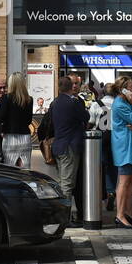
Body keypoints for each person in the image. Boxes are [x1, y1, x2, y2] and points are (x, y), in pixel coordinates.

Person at [49, 75, 88, 224]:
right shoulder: (74, 103)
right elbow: (86, 116)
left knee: (61, 182)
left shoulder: (55, 102)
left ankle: (62, 215)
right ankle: (64, 217)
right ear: (70, 86)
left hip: (58, 146)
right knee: (67, 185)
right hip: (70, 147)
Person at [110, 77, 132, 228]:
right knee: (124, 180)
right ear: (123, 89)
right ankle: (120, 215)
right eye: (131, 86)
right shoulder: (120, 104)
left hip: (128, 143)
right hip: (124, 145)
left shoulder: (123, 103)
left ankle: (128, 211)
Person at [1, 72, 34, 169]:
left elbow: (1, 118)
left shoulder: (6, 98)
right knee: (25, 168)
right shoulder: (29, 99)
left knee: (10, 168)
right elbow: (28, 120)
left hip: (10, 138)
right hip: (25, 137)